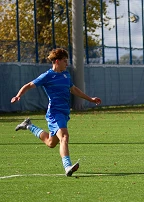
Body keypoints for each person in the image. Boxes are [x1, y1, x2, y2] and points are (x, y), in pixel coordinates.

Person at [11, 48, 102, 176]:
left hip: (64, 113)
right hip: (54, 112)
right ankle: (67, 166)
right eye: (65, 61)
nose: (67, 64)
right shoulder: (47, 76)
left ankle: (28, 125)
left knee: (50, 142)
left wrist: (90, 99)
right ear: (57, 61)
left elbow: (74, 89)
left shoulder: (66, 75)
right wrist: (18, 95)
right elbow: (29, 85)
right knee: (64, 136)